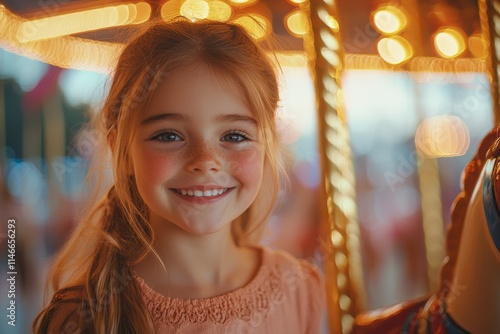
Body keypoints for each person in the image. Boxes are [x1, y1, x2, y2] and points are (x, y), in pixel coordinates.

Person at [33, 18, 325, 333]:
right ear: (122, 149)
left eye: (234, 136)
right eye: (169, 136)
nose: (205, 161)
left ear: (267, 145)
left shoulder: (301, 290)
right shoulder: (83, 317)